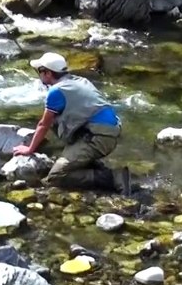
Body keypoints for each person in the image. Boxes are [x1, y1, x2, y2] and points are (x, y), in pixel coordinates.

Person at [13, 52, 127, 192]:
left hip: (98, 138)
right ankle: (89, 163)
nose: (38, 74)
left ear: (48, 73)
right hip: (108, 132)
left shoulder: (56, 91)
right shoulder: (79, 81)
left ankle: (112, 177)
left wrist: (30, 149)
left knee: (55, 177)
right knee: (58, 119)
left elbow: (44, 124)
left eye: (39, 71)